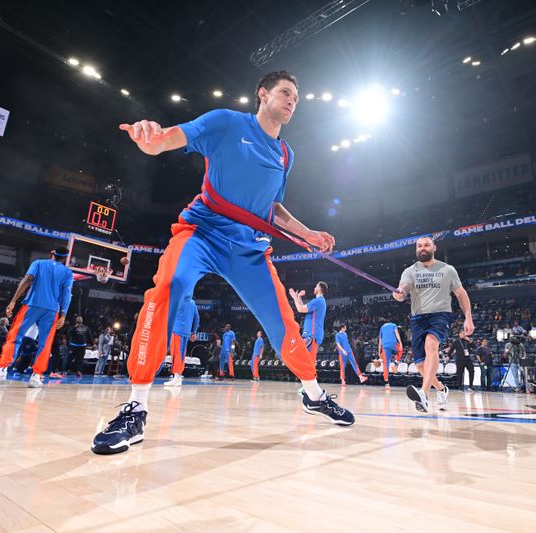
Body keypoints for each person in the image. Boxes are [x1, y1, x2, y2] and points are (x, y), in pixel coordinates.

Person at [91, 71, 354, 456]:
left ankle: (313, 394)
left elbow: (272, 207)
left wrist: (308, 234)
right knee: (169, 287)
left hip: (249, 248)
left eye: (296, 97)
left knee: (284, 323)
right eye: (285, 92)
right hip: (202, 231)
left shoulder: (285, 153)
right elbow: (169, 138)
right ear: (262, 94)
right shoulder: (226, 122)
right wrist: (152, 139)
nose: (292, 100)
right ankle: (137, 407)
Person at [393, 236, 474, 412]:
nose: (422, 248)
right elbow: (404, 288)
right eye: (419, 246)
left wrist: (468, 317)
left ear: (434, 247)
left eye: (426, 245)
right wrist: (400, 294)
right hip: (417, 319)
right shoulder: (410, 271)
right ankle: (441, 389)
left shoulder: (448, 269)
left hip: (440, 315)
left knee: (432, 345)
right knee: (421, 365)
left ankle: (423, 393)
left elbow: (461, 294)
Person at [0, 247, 73, 388]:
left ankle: (2, 370)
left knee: (15, 336)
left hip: (32, 305)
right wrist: (63, 314)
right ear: (65, 258)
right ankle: (36, 376)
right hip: (52, 310)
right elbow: (67, 294)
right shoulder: (68, 272)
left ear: (52, 254)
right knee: (45, 343)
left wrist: (13, 301)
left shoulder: (38, 263)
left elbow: (27, 279)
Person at [164, 296, 199, 387]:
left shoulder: (178, 300)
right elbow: (197, 318)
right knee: (182, 354)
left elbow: (170, 315)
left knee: (176, 354)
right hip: (186, 332)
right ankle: (178, 377)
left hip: (177, 331)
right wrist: (194, 332)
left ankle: (176, 376)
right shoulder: (192, 303)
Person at [290, 281, 328, 360]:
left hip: (312, 336)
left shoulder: (318, 301)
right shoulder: (320, 301)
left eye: (316, 286)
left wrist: (294, 297)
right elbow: (303, 307)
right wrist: (299, 297)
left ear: (320, 288)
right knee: (305, 361)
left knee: (305, 361)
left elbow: (300, 309)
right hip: (311, 335)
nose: (314, 288)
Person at [378, 321, 402, 390]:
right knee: (400, 350)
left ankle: (387, 384)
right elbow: (397, 333)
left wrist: (379, 351)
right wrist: (400, 343)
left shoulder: (382, 327)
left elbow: (380, 340)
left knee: (385, 364)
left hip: (384, 345)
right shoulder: (393, 325)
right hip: (393, 343)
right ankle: (395, 363)